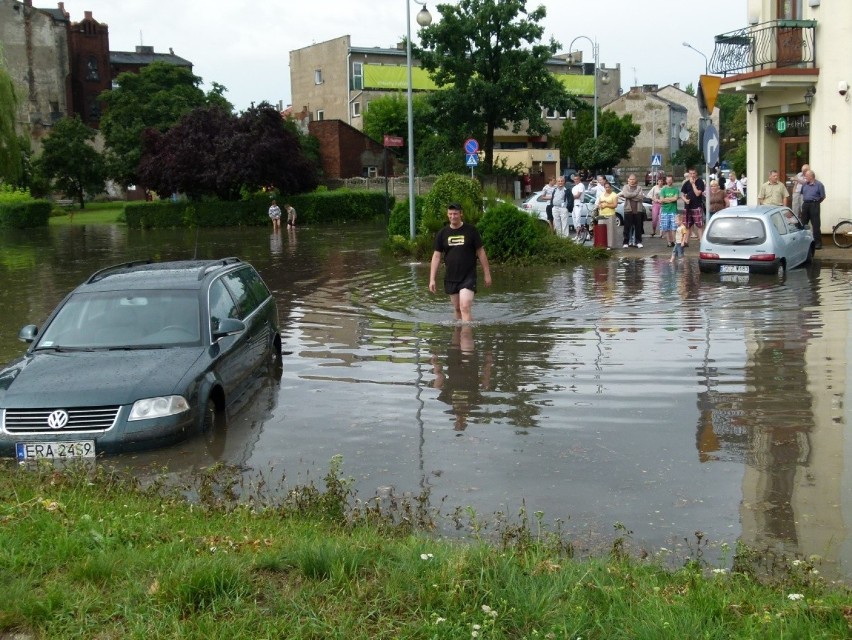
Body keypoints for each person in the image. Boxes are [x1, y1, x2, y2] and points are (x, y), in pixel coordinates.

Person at [429, 203, 492, 322]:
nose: (453, 216)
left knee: (465, 306)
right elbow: (436, 256)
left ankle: (467, 337)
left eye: (456, 214)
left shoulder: (471, 231)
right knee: (457, 308)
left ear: (461, 214)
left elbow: (481, 252)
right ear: (447, 215)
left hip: (468, 276)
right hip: (451, 276)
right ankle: (458, 336)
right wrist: (432, 279)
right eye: (450, 214)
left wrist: (487, 273)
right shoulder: (442, 233)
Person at [799, 169, 826, 249]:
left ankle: (818, 243)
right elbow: (802, 194)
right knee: (803, 224)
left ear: (811, 176)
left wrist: (816, 203)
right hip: (805, 204)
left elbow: (823, 196)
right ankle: (803, 243)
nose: (805, 177)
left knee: (816, 225)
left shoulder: (819, 185)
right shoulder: (804, 185)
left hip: (814, 204)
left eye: (806, 176)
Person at [680, 167, 705, 241]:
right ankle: (685, 242)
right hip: (688, 206)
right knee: (687, 225)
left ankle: (701, 241)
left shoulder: (700, 182)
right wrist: (685, 200)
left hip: (697, 206)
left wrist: (693, 184)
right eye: (690, 173)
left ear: (696, 173)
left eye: (693, 173)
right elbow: (682, 194)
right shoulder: (686, 183)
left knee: (699, 225)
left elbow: (697, 194)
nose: (692, 175)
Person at [620, 173, 644, 248]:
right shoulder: (625, 187)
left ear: (636, 180)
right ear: (628, 180)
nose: (632, 181)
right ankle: (626, 242)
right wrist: (635, 194)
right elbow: (626, 195)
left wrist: (630, 196)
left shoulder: (639, 187)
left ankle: (638, 242)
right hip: (628, 210)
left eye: (633, 179)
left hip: (638, 210)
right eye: (630, 179)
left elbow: (640, 197)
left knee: (638, 227)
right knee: (627, 227)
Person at [596, 181, 619, 249]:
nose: (607, 188)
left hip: (610, 214)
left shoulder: (614, 195)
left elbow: (615, 205)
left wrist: (606, 205)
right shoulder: (602, 194)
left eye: (608, 187)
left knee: (610, 230)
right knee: (602, 229)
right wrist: (600, 205)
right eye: (606, 187)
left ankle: (610, 245)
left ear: (610, 187)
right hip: (602, 214)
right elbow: (599, 203)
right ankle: (602, 243)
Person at [659, 175, 680, 248]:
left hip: (673, 211)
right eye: (667, 180)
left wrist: (666, 199)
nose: (669, 181)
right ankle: (669, 242)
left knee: (674, 228)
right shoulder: (663, 190)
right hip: (665, 211)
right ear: (666, 181)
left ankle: (674, 241)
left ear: (672, 180)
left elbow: (675, 198)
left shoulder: (676, 189)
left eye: (670, 180)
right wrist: (671, 199)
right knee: (666, 228)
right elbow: (661, 200)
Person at [570, 173, 586, 238]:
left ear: (579, 179)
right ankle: (578, 235)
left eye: (577, 179)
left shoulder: (581, 185)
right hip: (573, 204)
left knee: (577, 220)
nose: (575, 180)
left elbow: (578, 196)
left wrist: (570, 197)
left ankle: (579, 235)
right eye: (574, 179)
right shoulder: (574, 187)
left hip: (578, 204)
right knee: (574, 220)